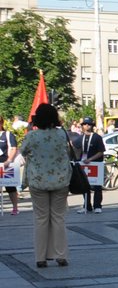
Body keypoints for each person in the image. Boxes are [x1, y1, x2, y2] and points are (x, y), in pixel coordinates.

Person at [19, 103, 72, 266]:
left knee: (41, 219)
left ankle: (40, 258)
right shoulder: (61, 134)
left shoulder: (31, 136)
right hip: (60, 181)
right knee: (58, 218)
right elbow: (67, 152)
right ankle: (61, 255)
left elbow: (22, 151)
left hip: (38, 181)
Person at [76, 119, 105, 214]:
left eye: (89, 124)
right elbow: (73, 146)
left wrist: (90, 159)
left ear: (92, 126)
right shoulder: (81, 137)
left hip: (95, 164)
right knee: (84, 186)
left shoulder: (97, 137)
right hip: (84, 165)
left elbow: (101, 152)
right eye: (85, 124)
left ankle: (97, 206)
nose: (87, 126)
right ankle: (87, 206)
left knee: (97, 186)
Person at [0, 122, 20, 216]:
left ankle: (15, 207)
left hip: (6, 165)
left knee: (10, 187)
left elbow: (13, 148)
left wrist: (9, 160)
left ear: (1, 123)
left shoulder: (7, 134)